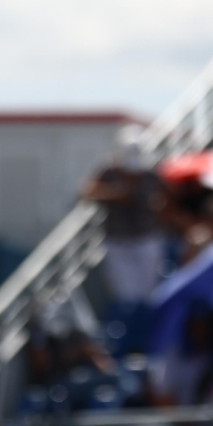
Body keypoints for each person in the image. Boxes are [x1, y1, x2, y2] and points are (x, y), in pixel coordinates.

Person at [82, 131, 166, 305]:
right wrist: (117, 194)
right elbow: (87, 192)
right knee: (124, 294)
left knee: (148, 292)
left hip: (146, 238)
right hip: (116, 240)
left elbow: (167, 201)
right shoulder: (108, 172)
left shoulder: (151, 176)